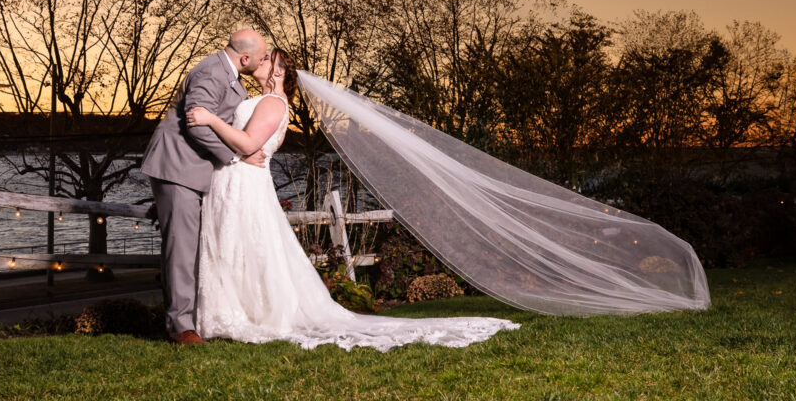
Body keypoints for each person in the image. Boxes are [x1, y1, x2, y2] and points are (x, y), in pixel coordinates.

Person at [185, 47, 520, 352]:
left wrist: (210, 119)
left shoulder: (273, 103)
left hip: (245, 185)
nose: (259, 61)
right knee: (238, 247)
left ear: (278, 72)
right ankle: (231, 312)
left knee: (247, 247)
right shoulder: (259, 99)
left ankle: (246, 315)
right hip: (234, 182)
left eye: (267, 59)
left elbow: (246, 144)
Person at [140, 29, 270, 345]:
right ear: (245, 58)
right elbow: (195, 123)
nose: (264, 61)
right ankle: (180, 327)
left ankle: (191, 318)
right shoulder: (212, 72)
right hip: (178, 166)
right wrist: (236, 157)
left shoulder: (227, 74)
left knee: (192, 248)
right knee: (182, 250)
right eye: (262, 56)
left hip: (191, 170)